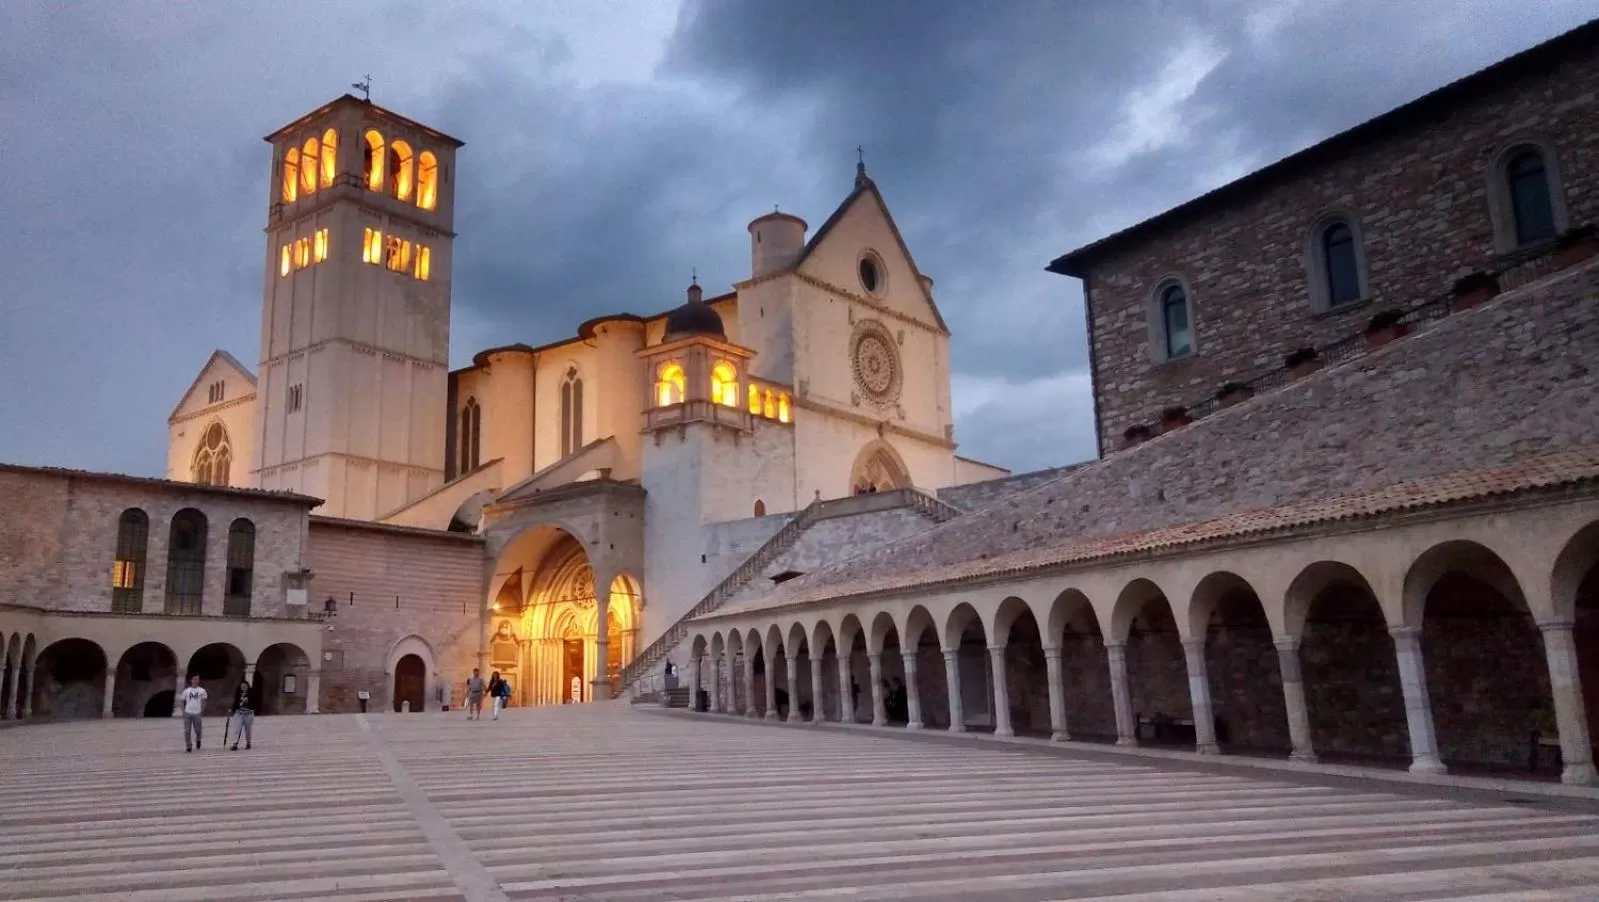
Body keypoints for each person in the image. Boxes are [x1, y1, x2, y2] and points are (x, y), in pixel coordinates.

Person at [180, 675, 207, 752]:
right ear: (191, 680)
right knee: (187, 730)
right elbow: (182, 702)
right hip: (188, 712)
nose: (196, 681)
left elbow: (204, 701)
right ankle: (189, 745)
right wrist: (183, 711)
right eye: (194, 679)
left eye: (197, 679)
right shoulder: (186, 691)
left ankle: (198, 739)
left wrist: (202, 710)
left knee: (198, 730)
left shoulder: (202, 691)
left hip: (197, 713)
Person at [229, 680, 254, 751]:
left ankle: (248, 742)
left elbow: (254, 704)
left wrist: (247, 703)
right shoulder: (238, 694)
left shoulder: (251, 694)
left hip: (248, 714)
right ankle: (235, 744)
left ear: (247, 687)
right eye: (242, 686)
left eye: (245, 686)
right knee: (237, 729)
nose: (243, 688)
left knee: (248, 730)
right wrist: (232, 709)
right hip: (239, 714)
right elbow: (235, 702)